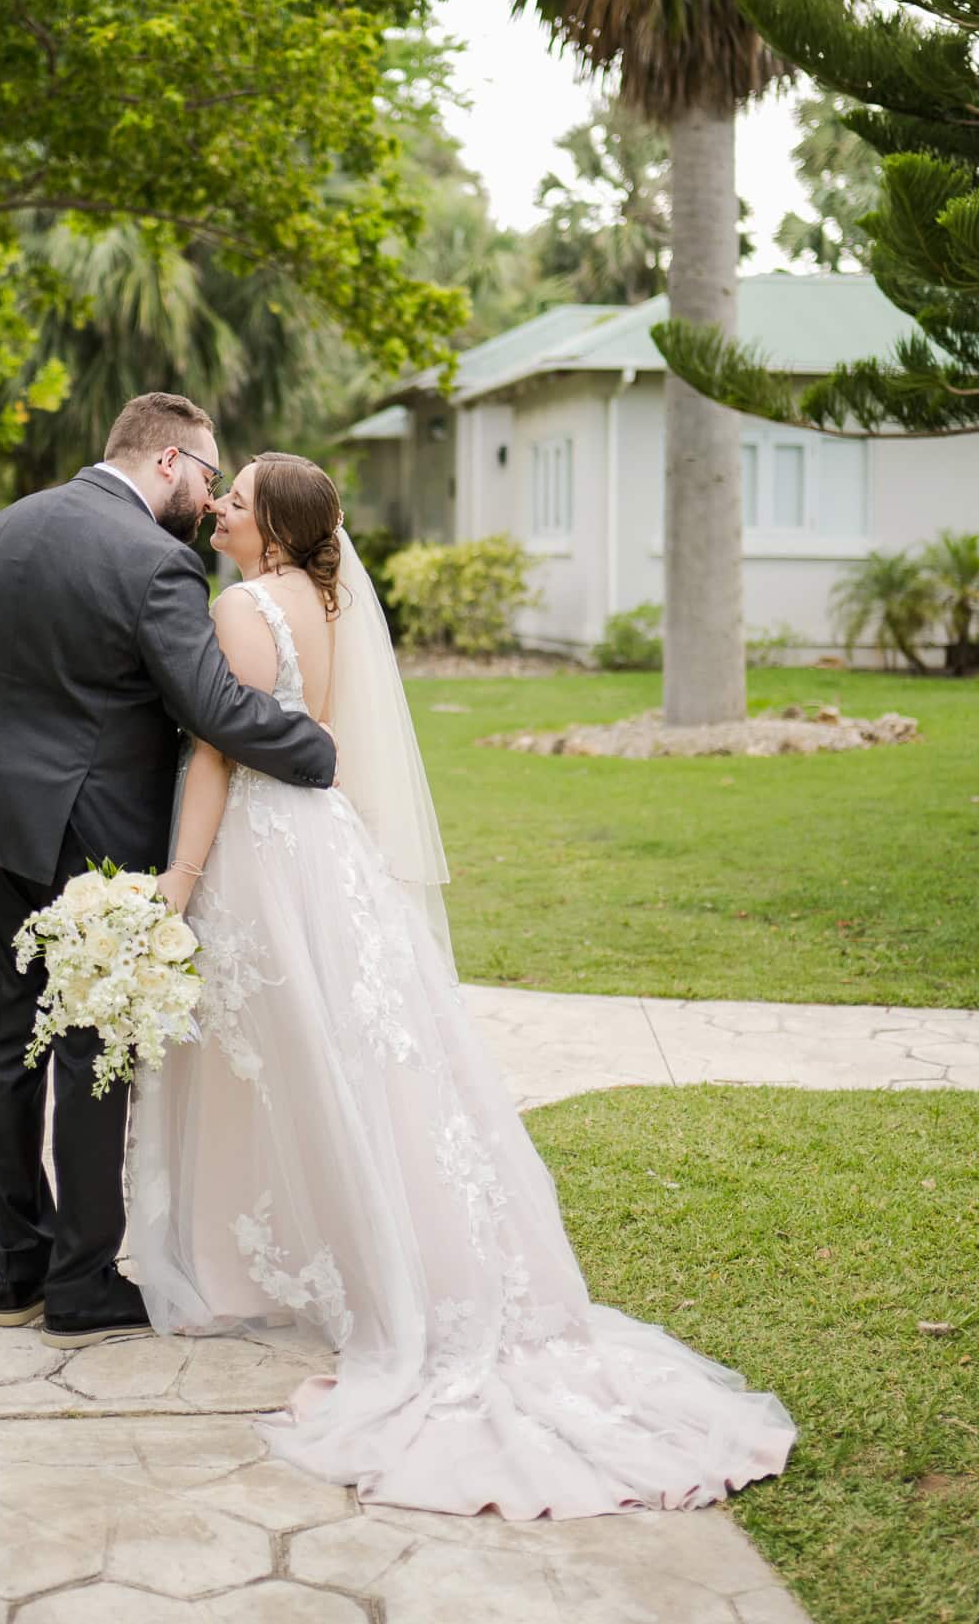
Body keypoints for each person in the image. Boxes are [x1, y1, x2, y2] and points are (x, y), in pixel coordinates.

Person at [127, 451, 796, 1518]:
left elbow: (218, 751)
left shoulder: (246, 606)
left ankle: (272, 1264)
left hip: (267, 850)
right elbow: (326, 738)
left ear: (279, 529)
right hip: (326, 843)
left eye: (237, 500)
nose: (217, 508)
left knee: (287, 1055)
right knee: (347, 1056)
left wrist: (182, 876)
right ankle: (321, 1252)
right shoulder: (324, 598)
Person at [0, 396, 336, 1348]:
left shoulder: (9, 525)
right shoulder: (156, 560)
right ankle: (79, 1286)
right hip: (89, 840)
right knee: (87, 1050)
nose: (207, 503)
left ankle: (15, 1271)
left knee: (3, 1034)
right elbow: (212, 708)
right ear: (167, 461)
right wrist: (317, 752)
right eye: (207, 478)